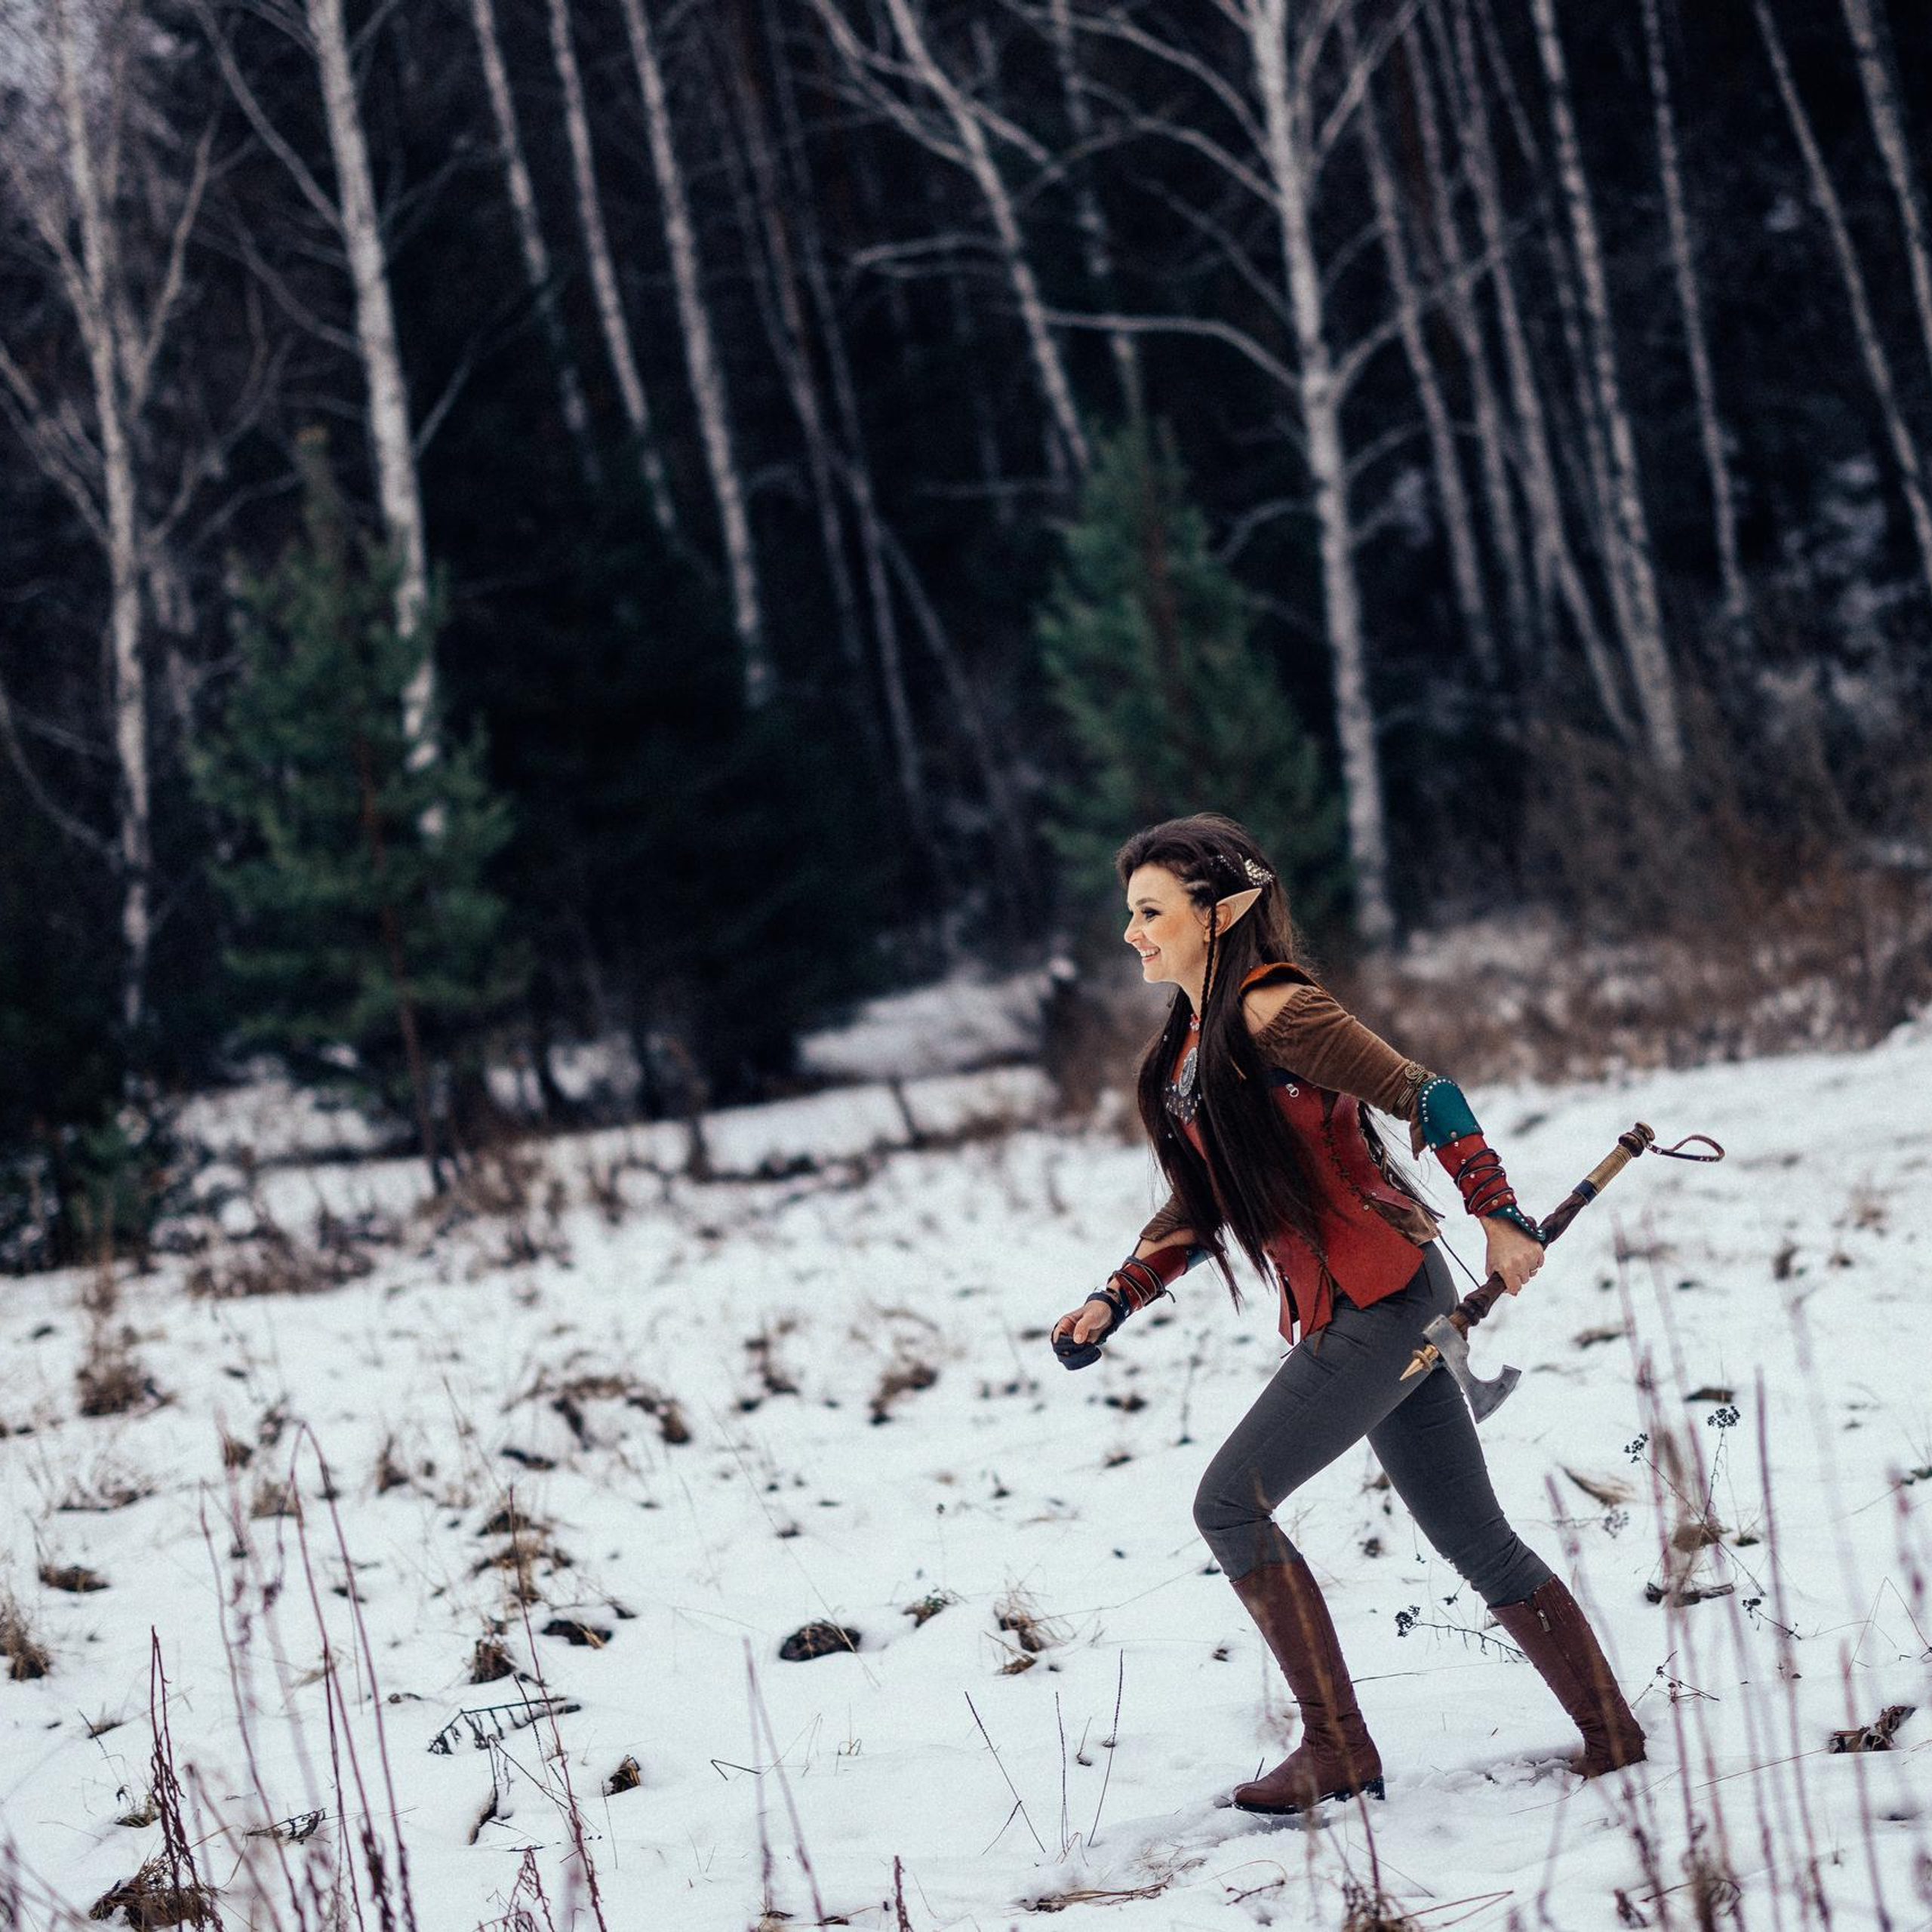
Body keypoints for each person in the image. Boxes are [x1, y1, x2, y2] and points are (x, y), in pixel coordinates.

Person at [1051, 814, 1645, 1817]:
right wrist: (1119, 1295)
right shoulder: (1193, 1043)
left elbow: (1426, 1093)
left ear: (1218, 911)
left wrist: (1498, 1218)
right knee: (1476, 1536)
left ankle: (1337, 1748)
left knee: (1228, 1504)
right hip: (1372, 1306)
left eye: (1151, 911)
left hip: (1377, 1307)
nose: (1132, 932)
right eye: (1131, 913)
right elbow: (1205, 1204)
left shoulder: (1277, 1009)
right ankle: (1613, 1737)